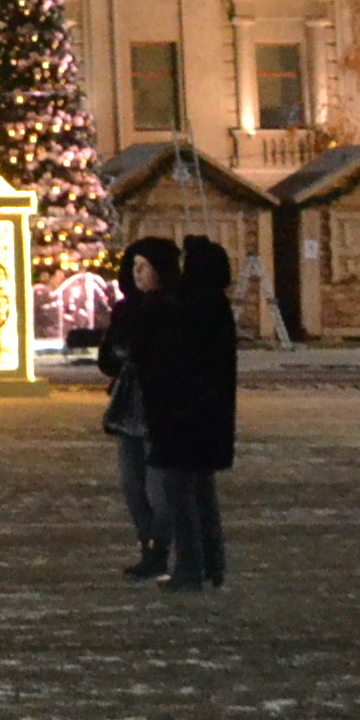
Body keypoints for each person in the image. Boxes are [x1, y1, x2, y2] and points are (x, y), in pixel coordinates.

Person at [129, 233, 238, 592]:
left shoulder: (185, 306)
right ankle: (211, 564)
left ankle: (190, 568)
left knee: (179, 495)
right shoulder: (214, 304)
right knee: (202, 494)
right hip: (207, 418)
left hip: (180, 417)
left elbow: (165, 362)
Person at [73, 242, 177, 581]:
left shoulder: (173, 308)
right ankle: (147, 545)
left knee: (159, 485)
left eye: (145, 267)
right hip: (128, 408)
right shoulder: (126, 310)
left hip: (162, 407)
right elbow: (108, 359)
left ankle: (161, 550)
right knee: (132, 484)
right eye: (135, 267)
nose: (138, 274)